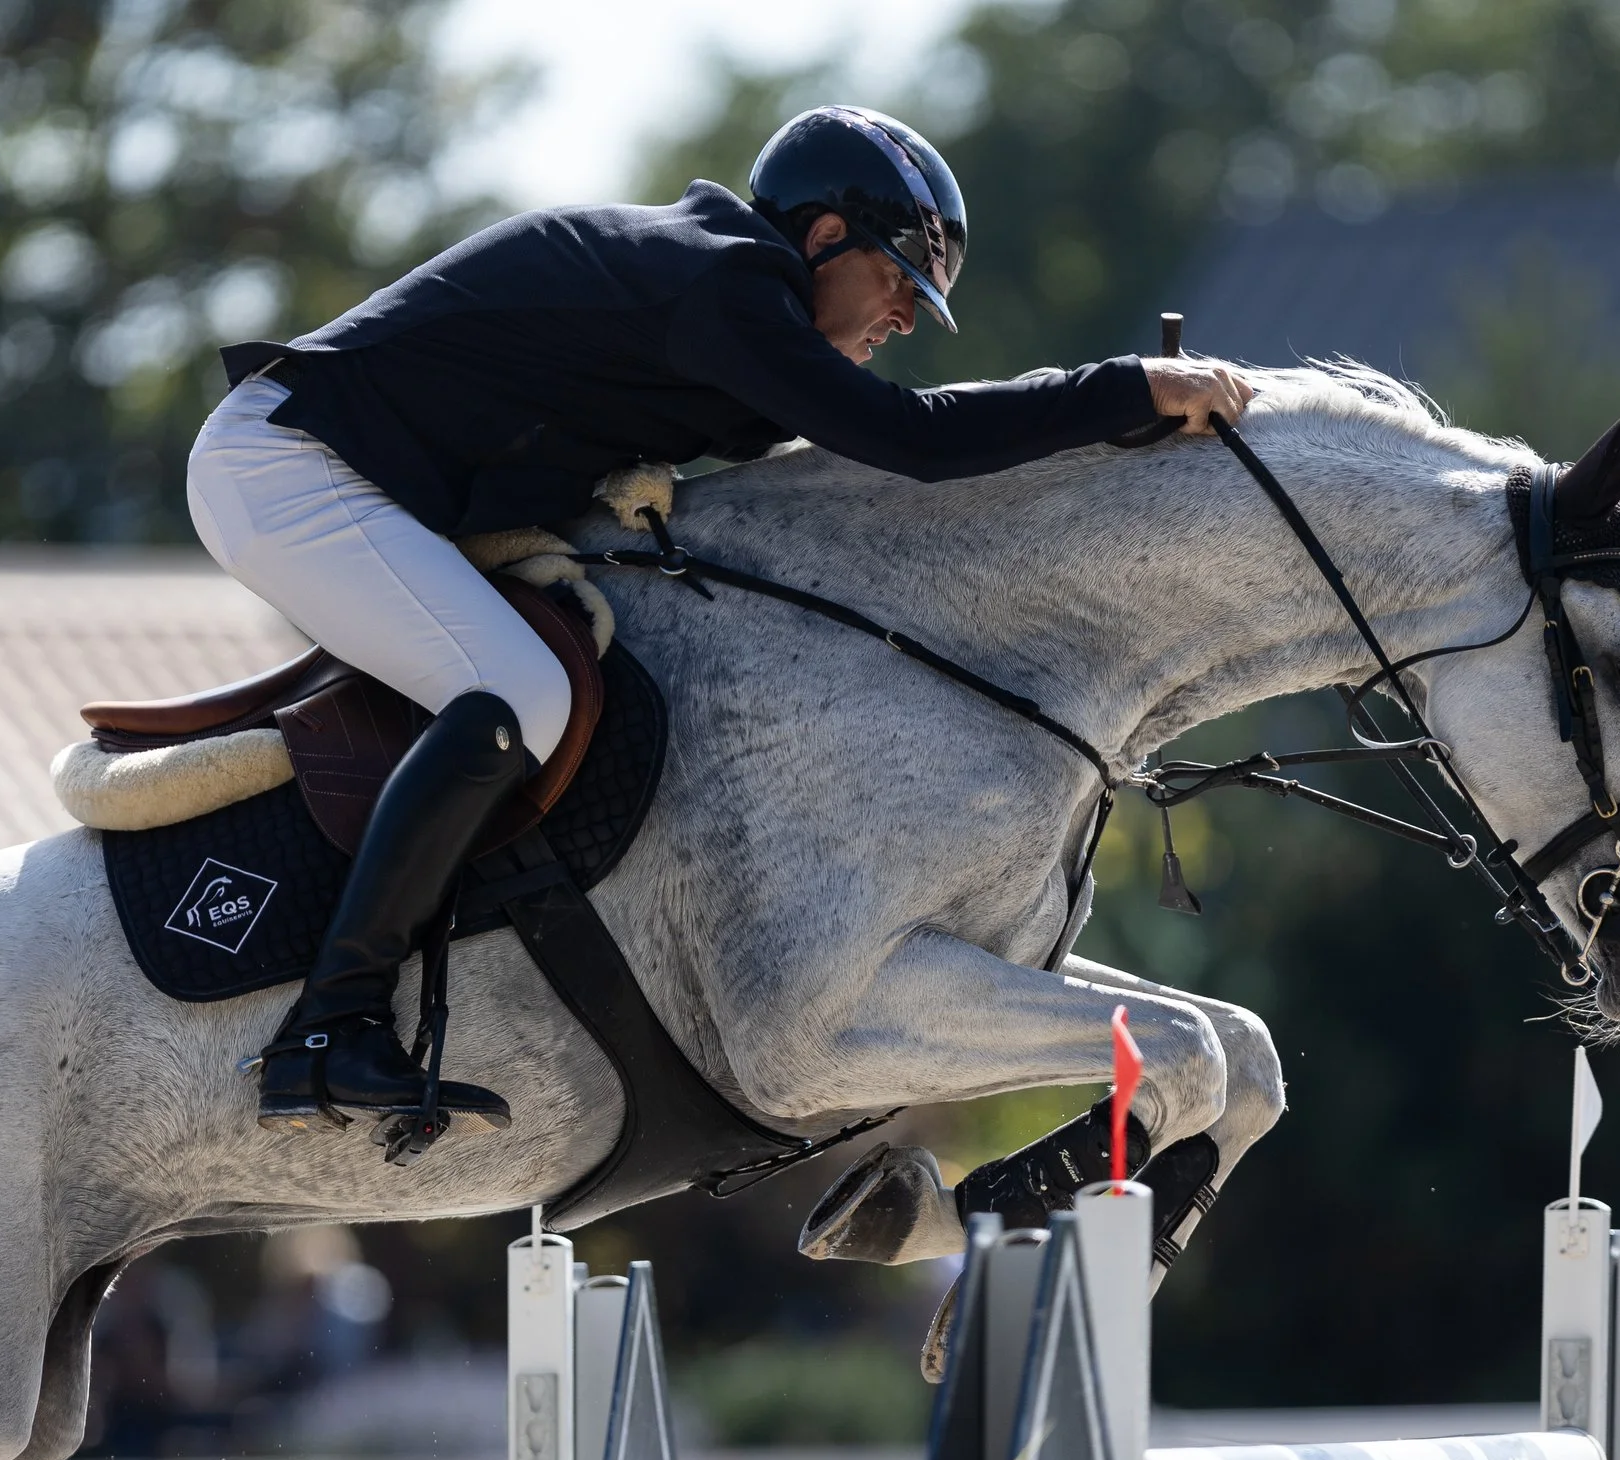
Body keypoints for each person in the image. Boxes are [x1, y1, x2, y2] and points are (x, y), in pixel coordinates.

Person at [187, 105, 1254, 1146]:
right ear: (822, 236)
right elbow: (913, 440)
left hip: (359, 479)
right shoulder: (725, 281)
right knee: (521, 694)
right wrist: (1127, 388)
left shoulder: (731, 295)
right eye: (896, 279)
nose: (903, 317)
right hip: (289, 470)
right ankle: (328, 1024)